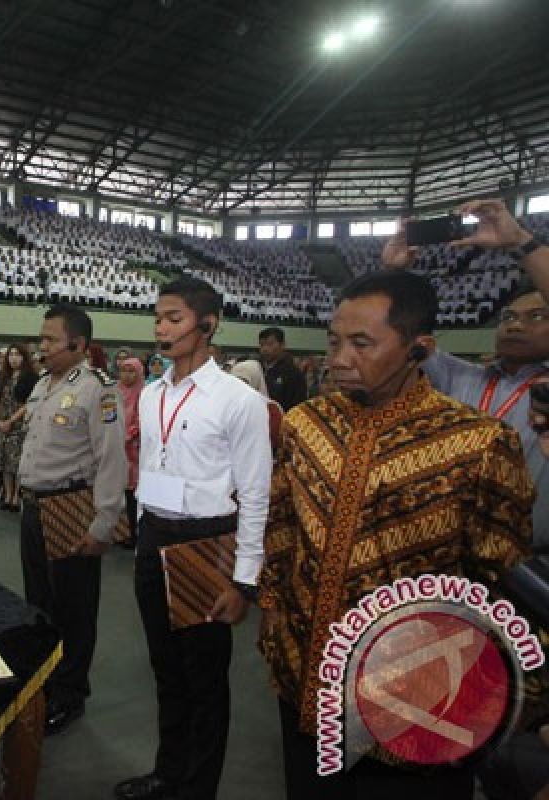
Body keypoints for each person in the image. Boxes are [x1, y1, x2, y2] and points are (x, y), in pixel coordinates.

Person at [258, 270, 535, 799]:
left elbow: (498, 581)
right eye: (334, 340)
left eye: (362, 344)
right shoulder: (305, 423)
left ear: (419, 348)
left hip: (418, 706)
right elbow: (282, 527)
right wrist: (274, 622)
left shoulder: (477, 443)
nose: (340, 358)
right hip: (305, 681)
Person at [115, 277, 271, 800]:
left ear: (208, 324)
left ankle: (197, 788)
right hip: (153, 537)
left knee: (204, 682)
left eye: (174, 318)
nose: (162, 328)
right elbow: (151, 471)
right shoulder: (154, 393)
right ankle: (168, 772)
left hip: (206, 544)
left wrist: (244, 582)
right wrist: (140, 534)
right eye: (158, 318)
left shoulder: (238, 400)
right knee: (166, 670)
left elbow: (255, 496)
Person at [382, 199, 549, 547]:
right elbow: (401, 335)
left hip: (529, 564)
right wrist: (396, 276)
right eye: (508, 317)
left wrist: (520, 241)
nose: (515, 325)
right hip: (449, 556)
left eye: (536, 316)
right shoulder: (462, 377)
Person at [18, 304, 126, 736]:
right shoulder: (44, 384)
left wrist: (104, 524)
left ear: (78, 345)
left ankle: (69, 694)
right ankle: (44, 684)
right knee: (39, 603)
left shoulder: (97, 390)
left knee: (74, 609)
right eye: (40, 338)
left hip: (70, 508)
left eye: (49, 340)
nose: (40, 347)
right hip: (33, 507)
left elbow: (111, 460)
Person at [0, 343, 37, 511]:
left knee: (17, 462)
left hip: (19, 424)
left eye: (17, 355)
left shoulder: (32, 377)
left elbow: (29, 403)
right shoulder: (2, 376)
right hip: (2, 423)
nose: (13, 358)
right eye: (11, 355)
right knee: (4, 462)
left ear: (24, 357)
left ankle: (17, 497)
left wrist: (11, 420)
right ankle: (8, 494)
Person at [116, 354, 144, 540]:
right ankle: (120, 532)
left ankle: (134, 534)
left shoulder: (145, 392)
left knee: (133, 494)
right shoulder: (114, 391)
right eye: (124, 371)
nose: (127, 375)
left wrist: (130, 434)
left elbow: (144, 419)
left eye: (131, 371)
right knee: (117, 493)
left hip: (134, 450)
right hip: (115, 449)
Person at [230, 359, 283, 452]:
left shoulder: (272, 409)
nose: (241, 387)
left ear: (256, 380)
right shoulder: (226, 408)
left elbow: (275, 441)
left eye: (245, 382)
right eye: (236, 382)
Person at [257, 327, 309, 411]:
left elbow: (298, 406)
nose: (265, 349)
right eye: (262, 344)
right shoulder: (257, 368)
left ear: (282, 345)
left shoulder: (294, 374)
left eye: (270, 344)